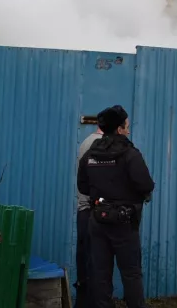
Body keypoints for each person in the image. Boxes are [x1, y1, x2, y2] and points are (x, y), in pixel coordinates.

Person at [77, 105, 155, 308]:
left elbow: (82, 186)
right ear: (119, 129)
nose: (128, 130)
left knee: (100, 273)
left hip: (98, 220)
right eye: (126, 126)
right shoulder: (130, 154)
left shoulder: (91, 154)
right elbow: (146, 184)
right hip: (123, 222)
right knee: (131, 273)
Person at [74, 125, 103, 308]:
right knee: (96, 263)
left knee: (84, 261)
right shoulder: (99, 144)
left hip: (83, 211)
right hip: (93, 211)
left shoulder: (85, 142)